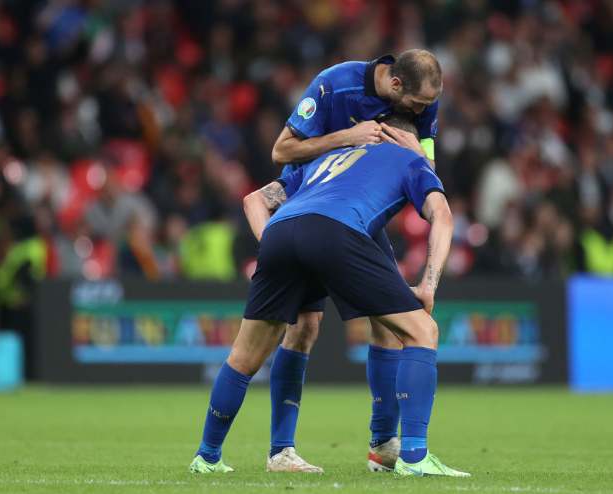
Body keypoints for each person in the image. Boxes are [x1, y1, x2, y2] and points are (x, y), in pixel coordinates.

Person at [189, 116, 469, 477]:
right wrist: (428, 284)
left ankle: (207, 456)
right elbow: (443, 217)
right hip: (336, 230)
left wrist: (277, 247)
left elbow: (253, 200)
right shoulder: (409, 158)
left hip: (280, 230)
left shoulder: (326, 161)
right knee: (422, 331)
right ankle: (414, 457)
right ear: (405, 138)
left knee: (244, 356)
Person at [263, 49, 443, 473]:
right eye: (417, 106)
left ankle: (383, 446)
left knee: (389, 322)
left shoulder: (424, 100)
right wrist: (346, 138)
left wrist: (415, 148)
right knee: (305, 326)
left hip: (360, 214)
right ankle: (280, 449)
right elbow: (281, 151)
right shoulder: (335, 84)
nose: (423, 112)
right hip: (312, 201)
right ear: (395, 85)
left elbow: (427, 164)